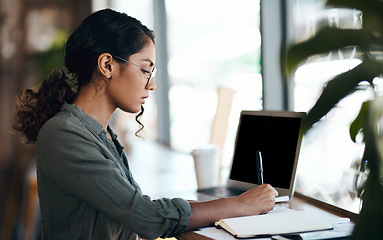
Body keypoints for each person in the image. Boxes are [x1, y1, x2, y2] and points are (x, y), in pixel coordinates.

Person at [13, 8, 278, 240]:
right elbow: (148, 217)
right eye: (145, 69)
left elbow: (137, 210)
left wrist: (224, 206)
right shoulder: (65, 134)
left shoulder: (99, 132)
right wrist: (240, 205)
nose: (151, 84)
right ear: (107, 65)